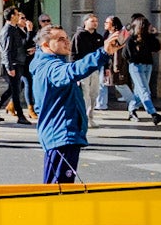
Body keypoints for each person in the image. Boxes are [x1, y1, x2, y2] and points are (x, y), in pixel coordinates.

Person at [30, 22, 123, 184]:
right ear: (46, 44)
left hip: (61, 134)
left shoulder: (46, 63)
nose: (67, 42)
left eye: (67, 38)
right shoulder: (50, 67)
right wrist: (103, 53)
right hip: (62, 135)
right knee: (59, 190)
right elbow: (72, 71)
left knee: (57, 189)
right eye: (60, 39)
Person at [0, 7, 32, 124]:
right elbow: (6, 50)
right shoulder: (8, 30)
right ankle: (20, 115)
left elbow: (16, 47)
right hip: (14, 64)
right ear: (12, 16)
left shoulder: (14, 29)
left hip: (17, 62)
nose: (19, 16)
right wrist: (9, 67)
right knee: (15, 90)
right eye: (17, 14)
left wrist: (26, 52)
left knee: (12, 89)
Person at [123, 15, 161, 124]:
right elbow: (125, 54)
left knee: (139, 91)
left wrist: (154, 34)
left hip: (147, 65)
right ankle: (153, 114)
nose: (149, 26)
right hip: (136, 66)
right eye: (146, 25)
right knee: (145, 90)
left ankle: (132, 109)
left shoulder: (149, 37)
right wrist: (135, 57)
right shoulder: (131, 39)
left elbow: (157, 48)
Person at [70, 14, 105, 128]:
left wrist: (106, 68)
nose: (95, 23)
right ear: (85, 22)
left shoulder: (98, 37)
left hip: (95, 69)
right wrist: (75, 71)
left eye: (96, 21)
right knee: (85, 94)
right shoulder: (79, 36)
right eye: (92, 21)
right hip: (82, 69)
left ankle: (90, 117)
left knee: (94, 94)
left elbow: (103, 53)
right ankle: (84, 118)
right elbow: (73, 54)